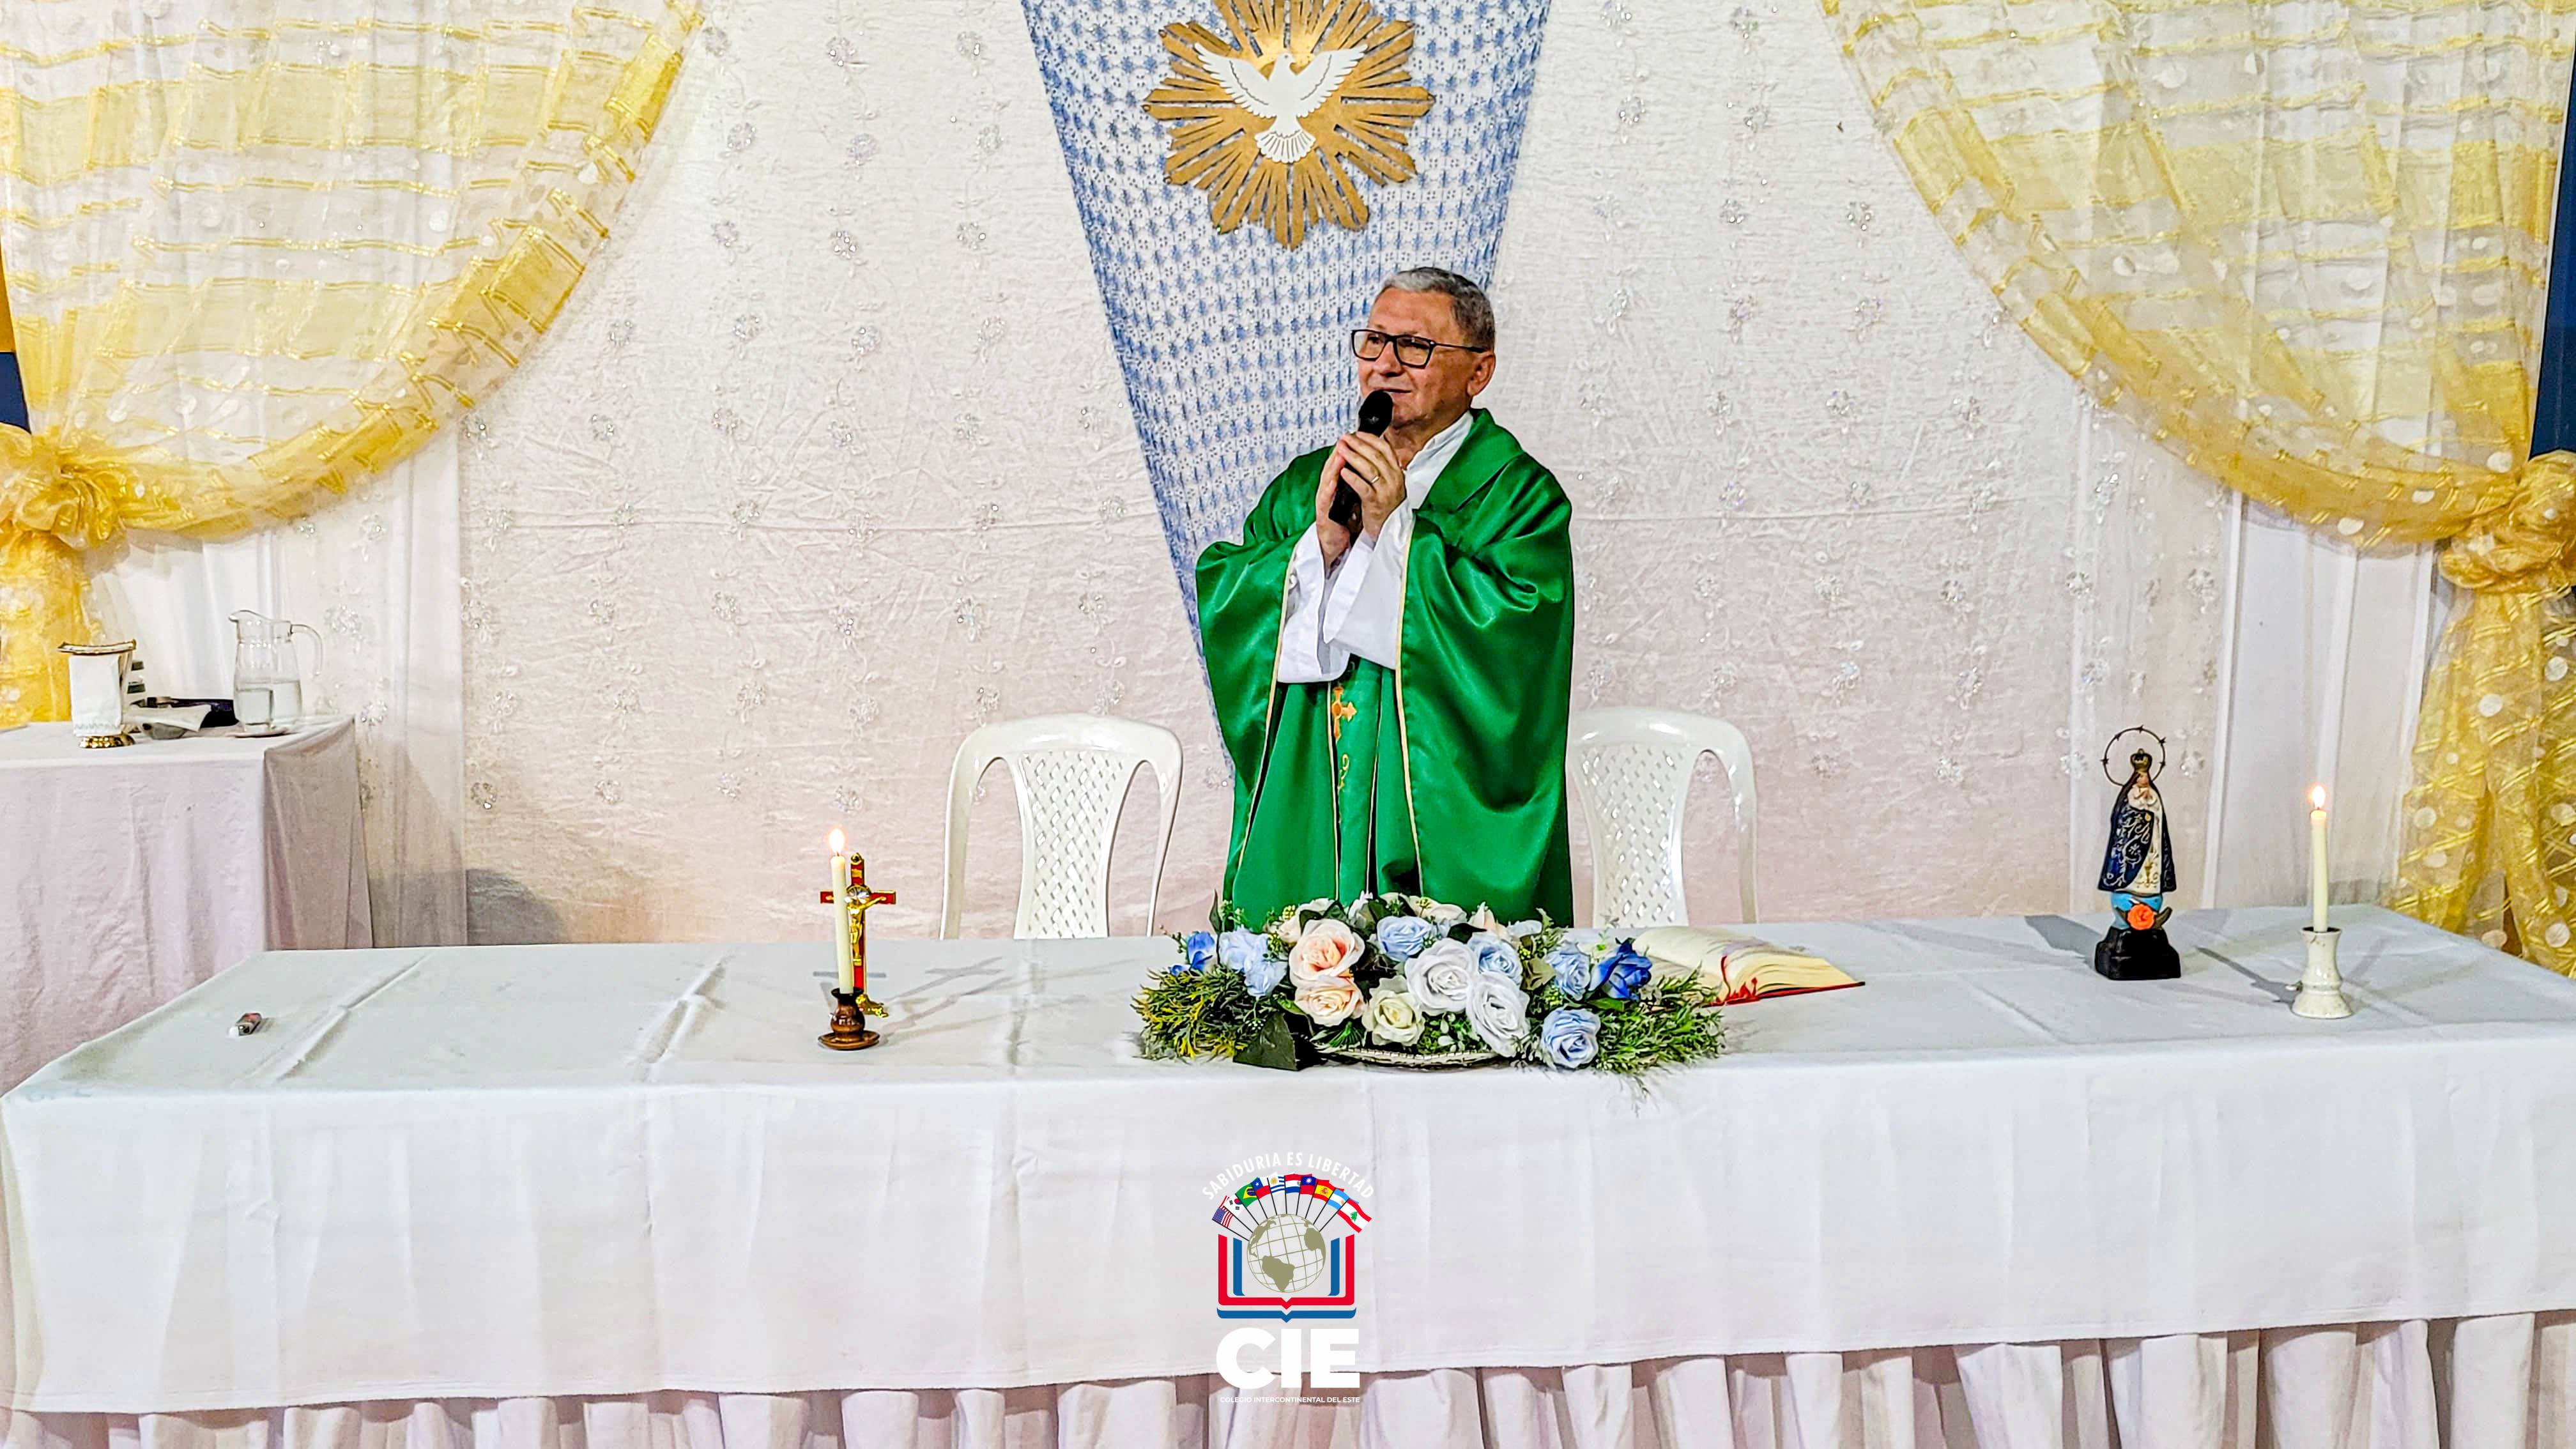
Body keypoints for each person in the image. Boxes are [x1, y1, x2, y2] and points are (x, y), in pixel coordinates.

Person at [1196, 267, 1573, 923]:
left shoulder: (1520, 498)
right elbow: (1232, 595)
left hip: (1432, 819)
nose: (1385, 366)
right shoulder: (1305, 485)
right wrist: (1316, 550)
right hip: (1315, 792)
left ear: (1478, 373)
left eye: (1416, 348)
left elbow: (1516, 644)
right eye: (1373, 343)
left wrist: (1397, 532)